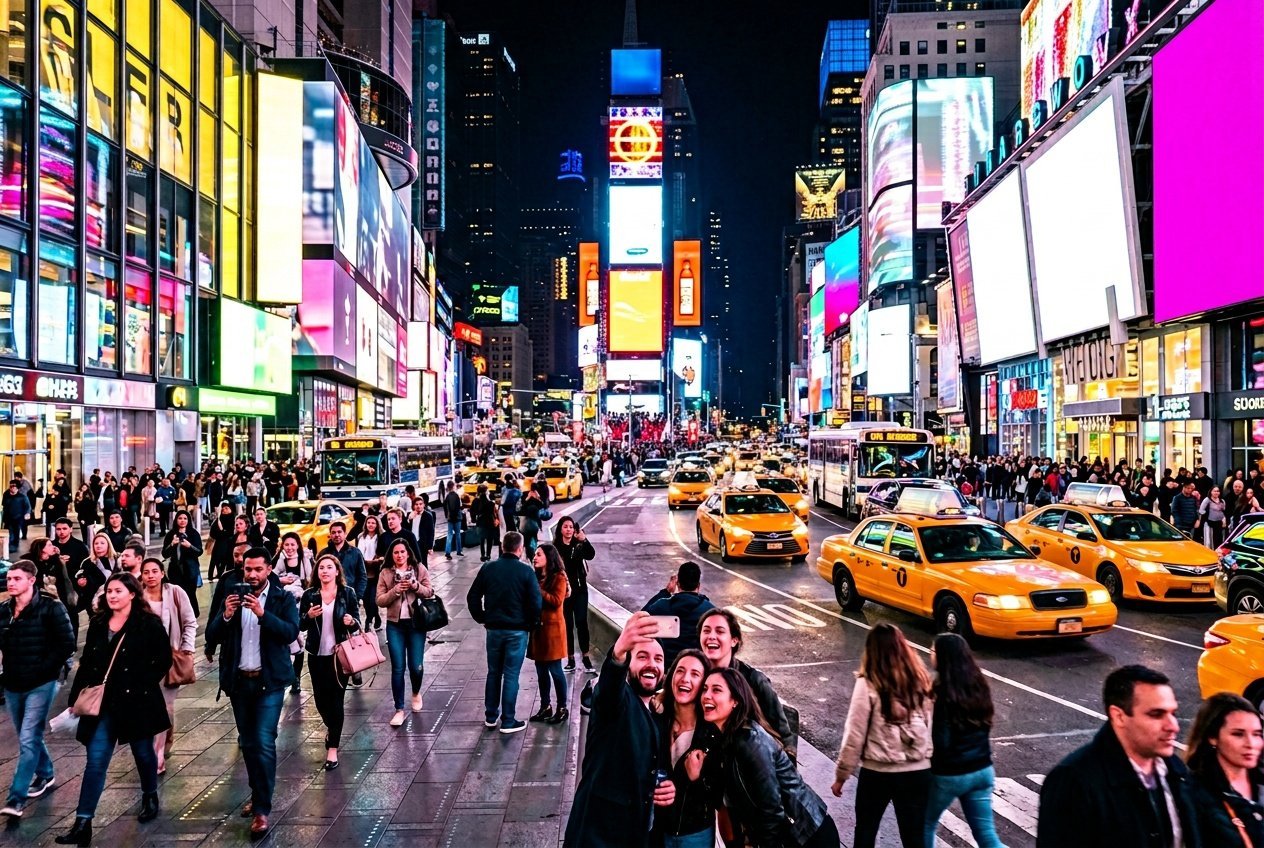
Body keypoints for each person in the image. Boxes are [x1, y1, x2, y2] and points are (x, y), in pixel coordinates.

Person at [57, 573, 171, 846]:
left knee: (143, 753)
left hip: (136, 702)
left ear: (132, 594)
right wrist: (75, 699)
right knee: (96, 761)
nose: (112, 595)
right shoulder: (98, 623)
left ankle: (149, 794)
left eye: (118, 591)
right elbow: (86, 662)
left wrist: (140, 683)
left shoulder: (148, 624)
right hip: (102, 704)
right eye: (109, 591)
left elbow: (163, 659)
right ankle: (83, 822)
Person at [1037, 665, 1200, 848]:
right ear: (1119, 716)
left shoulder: (1175, 769)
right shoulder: (1073, 782)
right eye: (1156, 714)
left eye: (1173, 714)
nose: (1173, 726)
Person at [204, 547, 300, 838]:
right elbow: (211, 634)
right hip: (239, 682)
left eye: (258, 569)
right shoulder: (231, 596)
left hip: (269, 682)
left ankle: (261, 810)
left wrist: (262, 614)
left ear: (269, 569)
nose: (253, 575)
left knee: (263, 740)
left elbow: (290, 632)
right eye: (248, 569)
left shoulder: (282, 598)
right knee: (247, 743)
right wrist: (227, 615)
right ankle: (258, 793)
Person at [563, 612, 676, 847]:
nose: (652, 665)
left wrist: (668, 788)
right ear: (629, 664)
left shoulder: (657, 713)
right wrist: (618, 653)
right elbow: (608, 692)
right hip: (597, 838)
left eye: (658, 659)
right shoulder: (617, 702)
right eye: (642, 656)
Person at [694, 667, 837, 848]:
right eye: (705, 689)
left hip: (809, 835)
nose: (706, 695)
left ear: (735, 701)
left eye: (716, 690)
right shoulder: (725, 739)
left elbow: (771, 809)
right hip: (789, 836)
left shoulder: (750, 741)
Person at [832, 623, 933, 848]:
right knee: (914, 835)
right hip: (917, 772)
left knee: (866, 829)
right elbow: (929, 724)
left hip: (879, 771)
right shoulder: (920, 678)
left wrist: (842, 775)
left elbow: (855, 733)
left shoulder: (868, 681)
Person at [0, 560, 76, 819]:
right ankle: (46, 773)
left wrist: (45, 669)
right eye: (9, 578)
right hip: (12, 683)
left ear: (32, 580)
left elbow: (67, 643)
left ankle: (16, 798)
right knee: (28, 734)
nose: (11, 582)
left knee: (28, 737)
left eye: (17, 578)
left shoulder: (51, 608)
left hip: (42, 683)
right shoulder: (4, 611)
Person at [923, 633, 1001, 848]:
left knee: (925, 824)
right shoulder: (978, 684)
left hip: (951, 775)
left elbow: (941, 741)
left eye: (933, 651)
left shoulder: (944, 693)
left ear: (944, 657)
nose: (930, 654)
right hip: (983, 769)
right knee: (987, 836)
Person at [466, 532, 542, 734]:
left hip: (494, 630)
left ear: (502, 546)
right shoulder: (526, 572)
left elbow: (472, 596)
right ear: (520, 548)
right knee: (511, 674)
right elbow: (536, 603)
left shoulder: (488, 568)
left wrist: (482, 617)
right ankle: (508, 721)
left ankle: (491, 716)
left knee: (493, 673)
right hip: (517, 631)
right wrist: (531, 624)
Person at [697, 607, 797, 760]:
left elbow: (784, 735)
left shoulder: (754, 679)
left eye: (720, 631)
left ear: (734, 640)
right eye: (706, 631)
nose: (711, 636)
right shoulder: (696, 675)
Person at [298, 554, 360, 769]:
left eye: (329, 567)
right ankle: (332, 728)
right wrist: (308, 616)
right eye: (321, 567)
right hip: (316, 655)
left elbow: (357, 622)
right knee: (321, 702)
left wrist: (351, 621)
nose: (324, 571)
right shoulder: (309, 595)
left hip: (340, 655)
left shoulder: (347, 593)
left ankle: (332, 749)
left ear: (337, 571)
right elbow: (300, 625)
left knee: (336, 701)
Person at [140, 557, 197, 775]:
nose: (151, 576)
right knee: (146, 708)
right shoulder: (137, 596)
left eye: (155, 571)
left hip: (169, 658)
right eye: (146, 572)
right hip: (143, 661)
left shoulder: (174, 592)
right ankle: (155, 745)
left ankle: (160, 752)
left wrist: (187, 648)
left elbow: (190, 621)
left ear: (162, 573)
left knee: (165, 707)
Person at [653, 649, 714, 848]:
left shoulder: (710, 732)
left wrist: (696, 779)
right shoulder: (656, 719)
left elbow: (719, 795)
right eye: (680, 671)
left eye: (695, 674)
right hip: (656, 831)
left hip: (694, 835)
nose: (685, 679)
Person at [1185, 692, 1263, 847]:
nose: (1251, 744)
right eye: (1238, 734)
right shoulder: (1194, 793)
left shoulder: (1259, 780)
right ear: (1213, 737)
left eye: (1257, 734)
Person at [376, 537, 434, 726]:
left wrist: (415, 585)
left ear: (408, 553)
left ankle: (416, 692)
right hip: (395, 625)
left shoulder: (419, 569)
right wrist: (395, 590)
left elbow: (429, 591)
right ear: (391, 556)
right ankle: (399, 709)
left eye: (402, 552)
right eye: (396, 552)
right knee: (398, 667)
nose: (399, 555)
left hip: (416, 625)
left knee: (416, 666)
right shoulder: (385, 573)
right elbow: (380, 600)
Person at [527, 543, 570, 725]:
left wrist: (538, 590)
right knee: (541, 671)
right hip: (538, 630)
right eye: (535, 555)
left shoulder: (558, 577)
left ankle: (562, 707)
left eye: (539, 555)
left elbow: (556, 600)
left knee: (556, 671)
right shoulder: (536, 577)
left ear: (548, 558)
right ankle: (545, 706)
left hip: (552, 631)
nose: (535, 557)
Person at [642, 561, 715, 667]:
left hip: (665, 669)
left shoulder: (661, 606)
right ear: (698, 586)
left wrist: (666, 592)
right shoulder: (709, 612)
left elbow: (640, 617)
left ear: (678, 584)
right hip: (695, 669)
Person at [554, 516, 597, 673]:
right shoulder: (556, 547)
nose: (569, 530)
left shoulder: (578, 544)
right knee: (567, 624)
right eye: (565, 527)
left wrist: (584, 540)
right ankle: (570, 658)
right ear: (560, 529)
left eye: (571, 527)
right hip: (564, 592)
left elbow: (591, 555)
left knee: (581, 622)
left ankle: (586, 657)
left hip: (580, 590)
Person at [275, 531, 315, 692]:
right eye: (287, 545)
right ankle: (289, 676)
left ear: (297, 545)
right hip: (284, 607)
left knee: (299, 641)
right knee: (289, 641)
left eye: (293, 544)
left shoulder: (304, 558)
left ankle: (296, 678)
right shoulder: (279, 560)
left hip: (300, 605)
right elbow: (271, 577)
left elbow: (310, 580)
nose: (290, 548)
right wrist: (281, 580)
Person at [319, 521, 368, 619]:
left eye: (339, 532)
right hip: (328, 598)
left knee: (349, 628)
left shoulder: (355, 553)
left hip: (349, 597)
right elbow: (317, 575)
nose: (336, 535)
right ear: (330, 535)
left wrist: (357, 596)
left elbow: (362, 576)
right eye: (333, 532)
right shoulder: (324, 553)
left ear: (345, 534)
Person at [161, 510, 203, 617]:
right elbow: (164, 554)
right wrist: (172, 544)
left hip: (190, 570)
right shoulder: (171, 534)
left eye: (185, 518)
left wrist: (189, 546)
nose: (182, 521)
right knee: (177, 594)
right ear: (176, 520)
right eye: (180, 518)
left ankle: (193, 615)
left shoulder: (193, 533)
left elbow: (199, 551)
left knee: (190, 594)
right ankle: (180, 616)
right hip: (175, 570)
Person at [74, 533, 117, 620]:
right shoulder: (87, 562)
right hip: (95, 603)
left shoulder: (117, 559)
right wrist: (81, 583)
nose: (98, 546)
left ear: (108, 544)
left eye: (102, 543)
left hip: (116, 600)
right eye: (96, 543)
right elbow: (80, 580)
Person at [353, 514, 385, 631]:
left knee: (373, 598)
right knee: (366, 599)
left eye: (373, 523)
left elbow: (383, 554)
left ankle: (368, 620)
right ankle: (375, 615)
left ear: (377, 524)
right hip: (364, 571)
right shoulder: (361, 536)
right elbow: (358, 553)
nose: (371, 525)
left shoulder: (381, 536)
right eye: (369, 523)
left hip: (376, 571)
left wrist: (377, 561)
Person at [208, 503, 238, 582]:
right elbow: (213, 533)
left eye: (226, 508)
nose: (224, 510)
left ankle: (222, 574)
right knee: (215, 559)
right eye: (223, 509)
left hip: (229, 546)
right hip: (218, 544)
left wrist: (222, 532)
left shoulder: (234, 520)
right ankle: (214, 575)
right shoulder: (218, 520)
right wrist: (222, 532)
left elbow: (232, 533)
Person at [471, 485, 500, 562]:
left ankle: (482, 555)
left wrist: (473, 519)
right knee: (490, 540)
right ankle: (488, 555)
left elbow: (472, 511)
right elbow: (493, 514)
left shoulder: (475, 501)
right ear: (486, 492)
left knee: (482, 539)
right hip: (489, 523)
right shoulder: (491, 503)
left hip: (480, 523)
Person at [2, 480, 30, 555]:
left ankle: (14, 546)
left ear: (17, 488)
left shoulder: (22, 497)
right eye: (11, 486)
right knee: (8, 533)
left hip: (18, 518)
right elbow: (4, 505)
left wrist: (27, 513)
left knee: (15, 532)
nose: (12, 488)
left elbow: (27, 506)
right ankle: (9, 546)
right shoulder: (6, 495)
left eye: (14, 486)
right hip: (8, 518)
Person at [407, 494, 435, 565]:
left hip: (422, 543)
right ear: (413, 506)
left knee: (423, 563)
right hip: (412, 542)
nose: (418, 506)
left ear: (424, 505)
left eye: (420, 504)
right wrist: (409, 519)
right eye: (416, 504)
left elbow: (431, 532)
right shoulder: (410, 515)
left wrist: (430, 547)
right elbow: (406, 528)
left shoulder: (428, 516)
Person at [519, 487, 545, 558]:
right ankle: (533, 553)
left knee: (527, 541)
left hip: (524, 525)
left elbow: (521, 511)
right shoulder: (536, 503)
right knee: (534, 539)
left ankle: (528, 554)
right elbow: (539, 515)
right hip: (533, 526)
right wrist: (540, 526)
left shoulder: (526, 502)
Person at [442, 481, 465, 559]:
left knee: (449, 534)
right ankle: (459, 550)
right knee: (458, 534)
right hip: (457, 518)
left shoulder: (447, 496)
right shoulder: (456, 495)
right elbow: (460, 506)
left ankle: (448, 552)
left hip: (450, 518)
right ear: (453, 486)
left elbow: (445, 507)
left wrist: (447, 516)